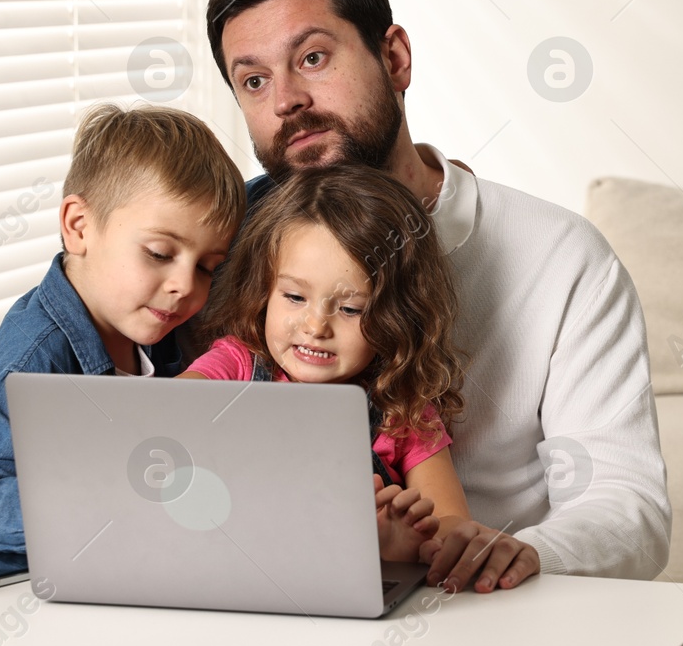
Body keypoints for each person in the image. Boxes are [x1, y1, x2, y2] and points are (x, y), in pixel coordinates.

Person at [206, 0, 672, 596]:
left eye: (313, 58)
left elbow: (631, 510)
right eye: (254, 80)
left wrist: (501, 553)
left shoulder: (562, 256)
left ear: (394, 57)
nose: (286, 100)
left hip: (486, 610)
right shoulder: (225, 244)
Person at [0, 103, 245, 555]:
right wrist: (115, 500)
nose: (184, 286)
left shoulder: (151, 324)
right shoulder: (35, 355)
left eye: (207, 268)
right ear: (79, 227)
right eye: (160, 253)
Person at [179, 163, 470, 563]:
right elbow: (169, 410)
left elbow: (453, 526)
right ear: (264, 290)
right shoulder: (236, 363)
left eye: (350, 309)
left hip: (347, 585)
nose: (315, 326)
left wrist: (409, 542)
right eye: (295, 298)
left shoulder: (404, 411)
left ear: (395, 317)